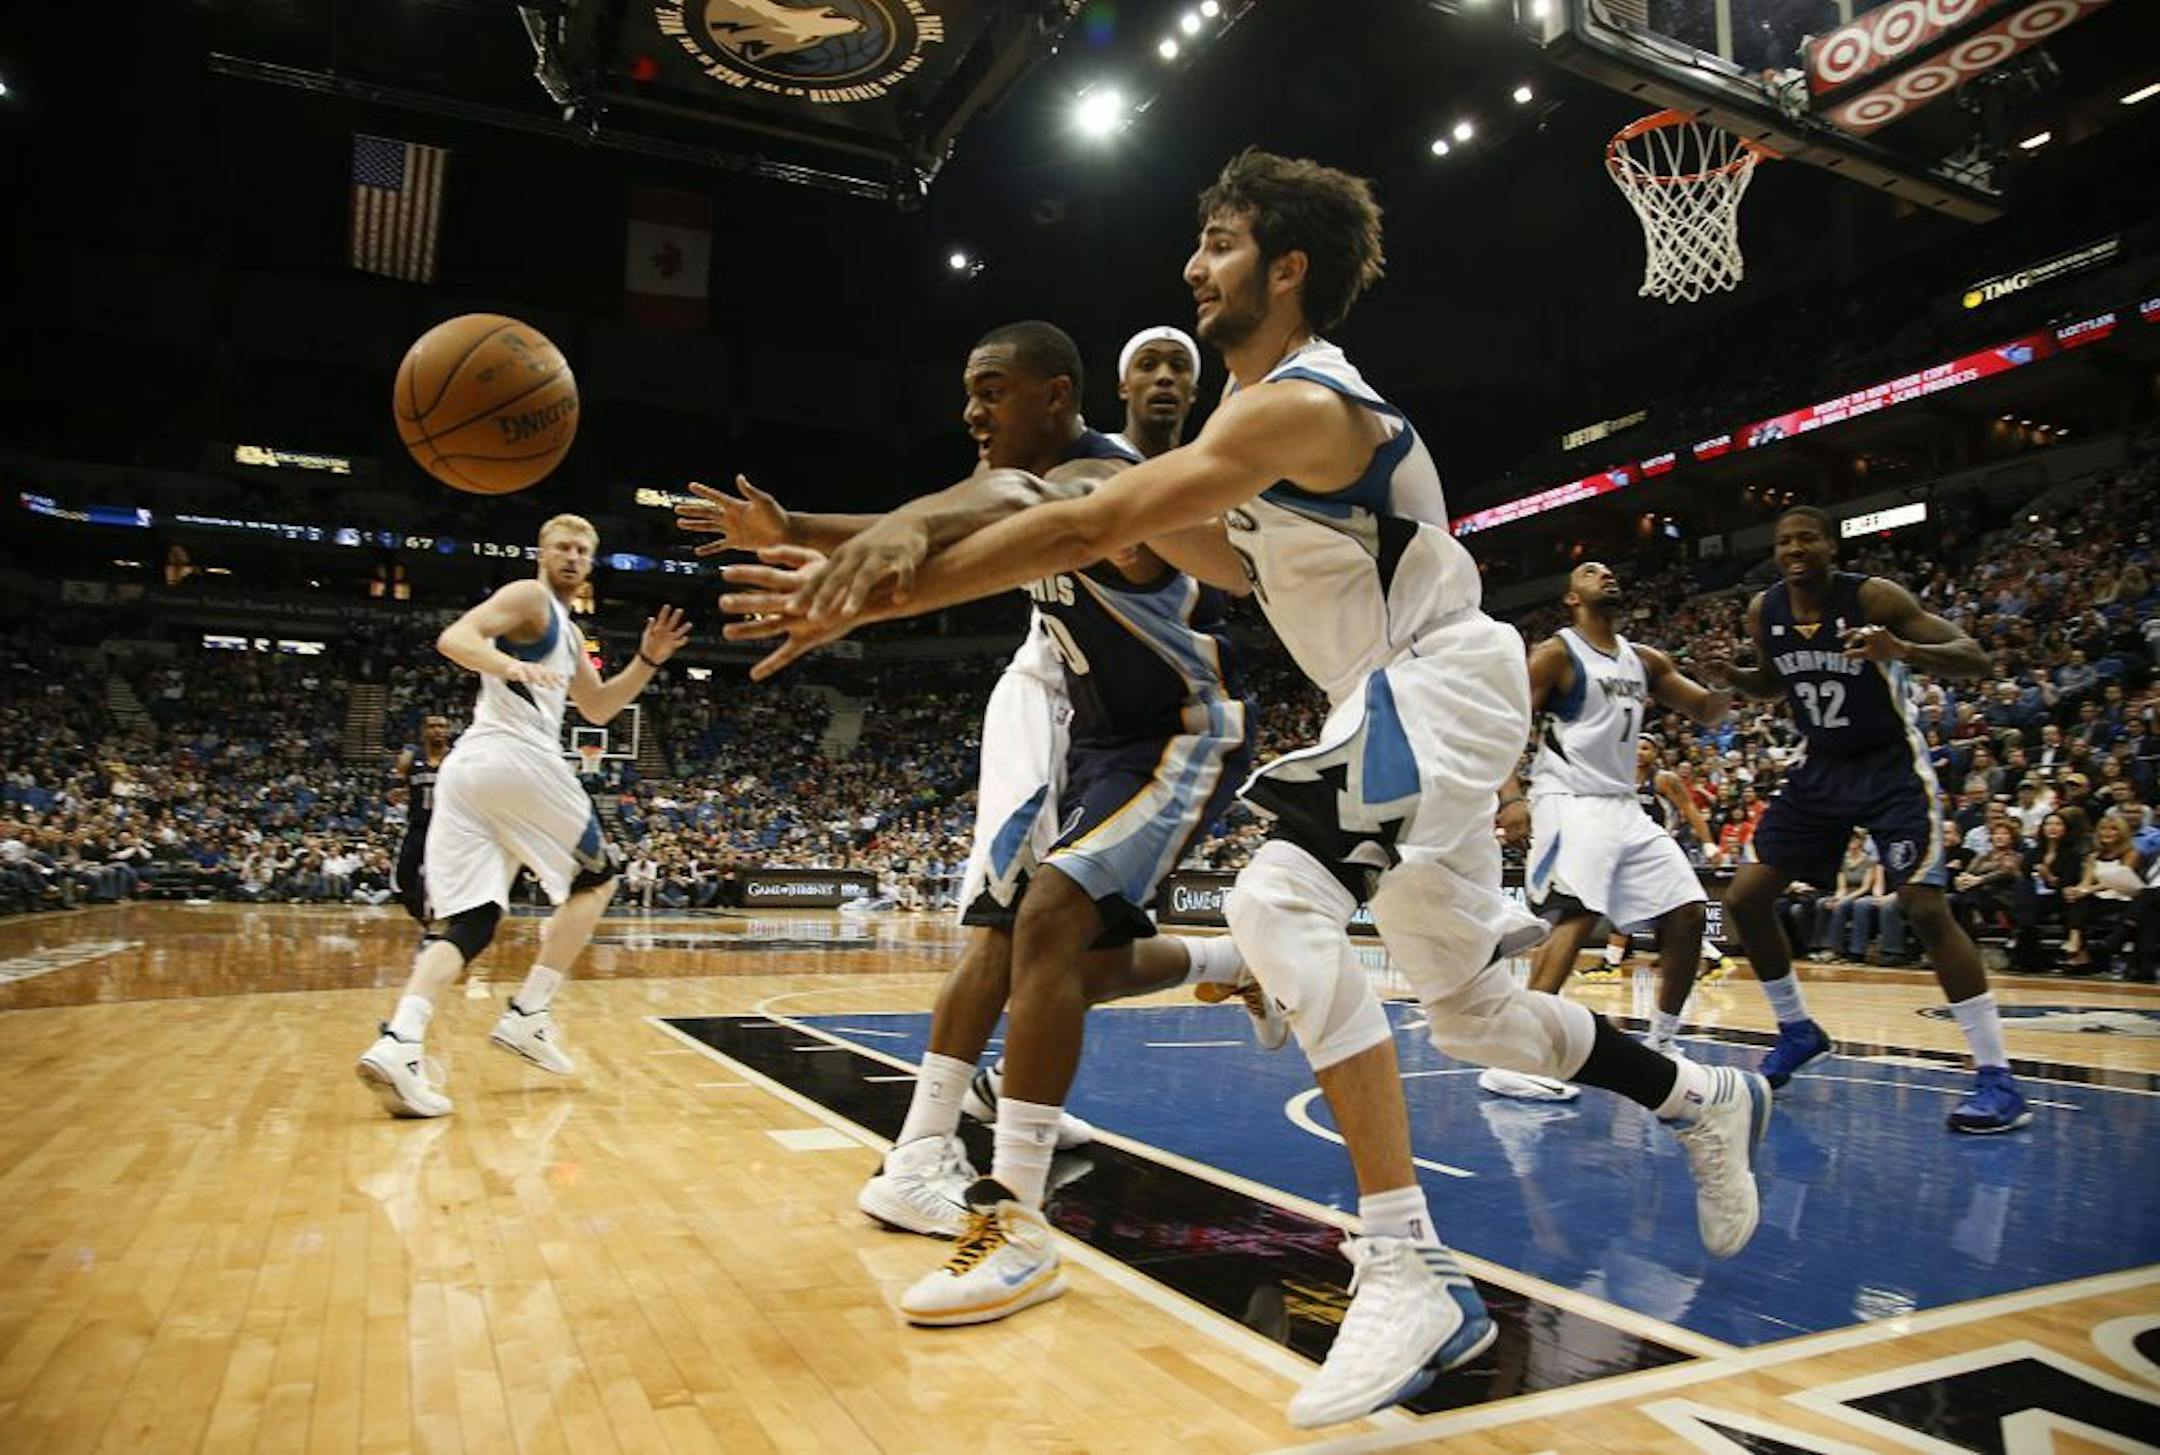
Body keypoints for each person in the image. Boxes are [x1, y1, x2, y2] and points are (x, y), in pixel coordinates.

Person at [719, 149, 1768, 1430]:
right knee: (1481, 1019)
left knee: (1278, 904)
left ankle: (1405, 1266)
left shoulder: (1301, 407)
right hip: (1387, 701)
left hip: (1435, 682)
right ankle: (1702, 1095)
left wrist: (883, 589)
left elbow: (1076, 528)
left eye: (1215, 243)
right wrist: (874, 536)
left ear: (1286, 268)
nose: (1189, 265)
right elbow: (1076, 510)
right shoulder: (1248, 445)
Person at [677, 322, 1264, 1245]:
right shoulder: (1036, 493)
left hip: (1183, 730)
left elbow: (1017, 492)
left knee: (1043, 920)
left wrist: (894, 546)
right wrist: (809, 540)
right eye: (970, 390)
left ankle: (1010, 1213)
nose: (971, 409)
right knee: (1063, 958)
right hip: (1102, 740)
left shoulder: (1103, 478)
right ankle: (1234, 965)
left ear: (1058, 397)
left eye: (992, 389)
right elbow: (976, 517)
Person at [1701, 504, 2031, 1133]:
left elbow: (1975, 657)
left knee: (1926, 908)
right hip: (1822, 767)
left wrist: (1900, 648)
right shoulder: (1762, 610)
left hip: (1888, 769)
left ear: (1831, 545)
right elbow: (1776, 684)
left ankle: (1997, 1077)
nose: (1794, 549)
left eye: (1807, 538)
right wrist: (1737, 678)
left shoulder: (1875, 597)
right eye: (1784, 541)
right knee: (1746, 900)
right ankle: (1797, 1029)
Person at [354, 515, 689, 1118]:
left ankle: (400, 1040)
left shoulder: (566, 626)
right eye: (562, 546)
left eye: (583, 550)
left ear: (591, 563)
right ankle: (530, 1013)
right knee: (599, 878)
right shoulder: (529, 596)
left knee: (473, 922)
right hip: (516, 759)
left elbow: (599, 706)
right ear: (541, 552)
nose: (572, 556)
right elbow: (456, 638)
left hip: (470, 775)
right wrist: (510, 667)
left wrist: (647, 658)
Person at [1496, 562, 1731, 1062]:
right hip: (1569, 801)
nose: (1605, 575)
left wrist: (1728, 679)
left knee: (1688, 913)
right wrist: (1511, 797)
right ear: (1570, 598)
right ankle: (1518, 1057)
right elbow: (1504, 726)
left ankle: (1662, 1043)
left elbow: (1708, 710)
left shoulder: (1643, 660)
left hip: (1622, 806)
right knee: (1575, 915)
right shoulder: (1556, 654)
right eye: (1588, 571)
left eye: (1608, 571)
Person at [391, 714, 453, 923]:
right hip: (418, 825)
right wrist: (397, 791)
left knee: (445, 875)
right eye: (432, 726)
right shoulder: (409, 758)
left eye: (442, 726)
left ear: (448, 731)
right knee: (404, 876)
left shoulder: (456, 758)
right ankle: (421, 915)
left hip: (447, 829)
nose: (437, 730)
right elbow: (393, 792)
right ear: (423, 731)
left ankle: (443, 916)